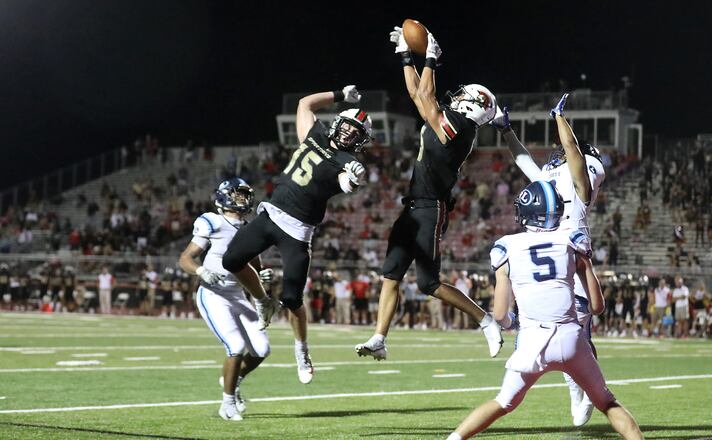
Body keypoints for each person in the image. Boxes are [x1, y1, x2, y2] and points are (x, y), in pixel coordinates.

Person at [446, 181, 643, 440]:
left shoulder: (508, 246)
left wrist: (510, 321)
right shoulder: (571, 241)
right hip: (572, 338)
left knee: (503, 402)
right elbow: (597, 307)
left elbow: (500, 315)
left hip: (533, 342)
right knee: (606, 402)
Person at [355, 25, 503, 361]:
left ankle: (486, 321)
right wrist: (407, 57)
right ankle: (380, 337)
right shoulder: (453, 120)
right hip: (413, 206)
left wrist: (431, 59)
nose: (459, 95)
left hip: (430, 208)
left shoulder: (463, 129)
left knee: (428, 283)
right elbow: (417, 96)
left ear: (474, 106)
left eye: (466, 95)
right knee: (390, 274)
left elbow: (425, 97)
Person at [222, 85, 372, 384]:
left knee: (292, 299)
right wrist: (341, 94)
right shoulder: (314, 134)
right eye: (347, 127)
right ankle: (263, 301)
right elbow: (305, 103)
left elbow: (347, 184)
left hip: (297, 233)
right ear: (338, 122)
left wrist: (356, 178)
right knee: (231, 260)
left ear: (360, 141)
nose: (348, 134)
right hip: (272, 213)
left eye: (356, 133)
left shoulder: (345, 161)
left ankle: (301, 350)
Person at [491, 93, 604, 426]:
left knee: (578, 336)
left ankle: (583, 392)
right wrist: (506, 130)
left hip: (568, 260)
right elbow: (523, 160)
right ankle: (578, 390)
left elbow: (573, 155)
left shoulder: (581, 185)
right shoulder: (549, 184)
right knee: (541, 332)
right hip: (546, 260)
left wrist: (559, 118)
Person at [179, 178, 271, 421]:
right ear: (224, 196)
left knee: (262, 349)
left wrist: (263, 275)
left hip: (238, 295)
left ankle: (234, 380)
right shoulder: (212, 221)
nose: (242, 199)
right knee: (236, 346)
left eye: (244, 195)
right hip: (214, 294)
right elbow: (186, 258)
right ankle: (227, 403)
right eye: (237, 194)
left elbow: (254, 265)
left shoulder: (250, 227)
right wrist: (201, 271)